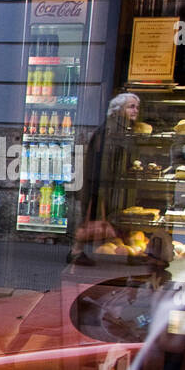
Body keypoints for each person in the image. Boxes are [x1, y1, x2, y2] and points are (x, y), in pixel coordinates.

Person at [68, 92, 139, 264]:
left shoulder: (121, 128)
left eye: (137, 107)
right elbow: (101, 161)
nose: (135, 110)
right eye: (131, 107)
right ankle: (76, 252)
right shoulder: (110, 129)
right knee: (91, 218)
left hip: (108, 184)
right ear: (117, 110)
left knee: (108, 218)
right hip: (100, 184)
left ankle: (126, 251)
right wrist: (99, 188)